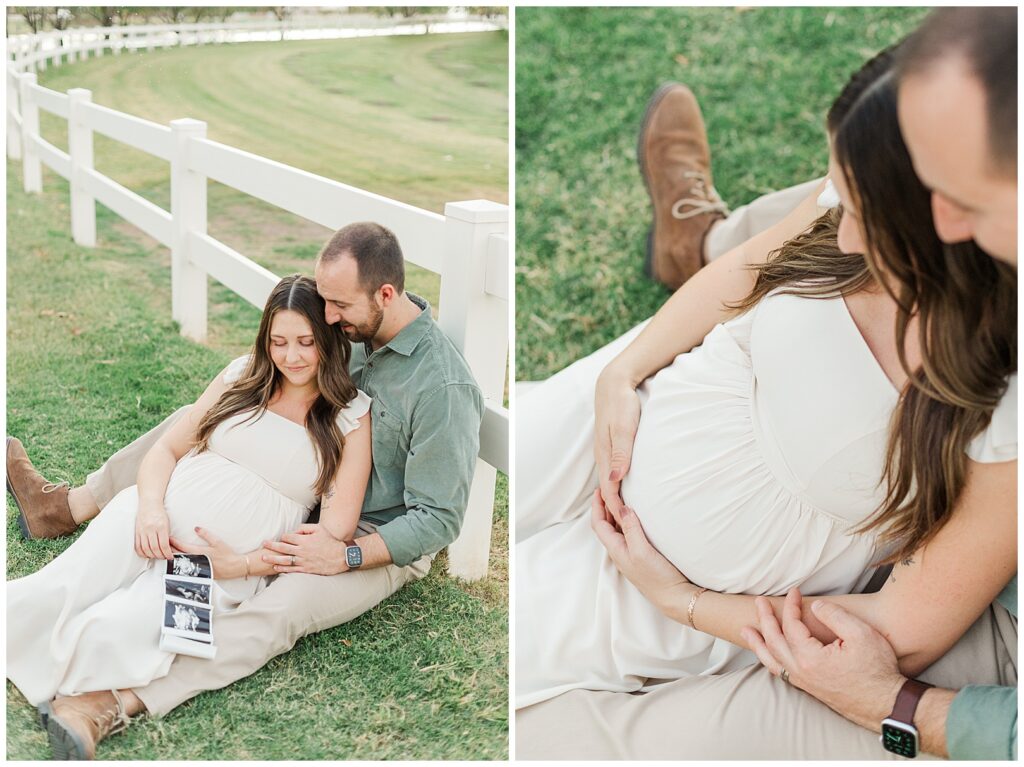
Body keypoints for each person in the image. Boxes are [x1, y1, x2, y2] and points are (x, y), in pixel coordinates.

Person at [518, 9, 1017, 761]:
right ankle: (688, 235)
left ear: (945, 220)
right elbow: (757, 263)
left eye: (866, 216)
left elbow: (906, 627)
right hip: (654, 400)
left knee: (512, 675)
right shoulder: (878, 177)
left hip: (688, 585)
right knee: (491, 461)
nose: (841, 228)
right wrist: (622, 372)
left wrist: (678, 599)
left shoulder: (994, 385)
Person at [7, 222, 484, 760]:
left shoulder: (441, 385)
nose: (325, 318)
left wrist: (335, 552)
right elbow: (269, 377)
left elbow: (438, 519)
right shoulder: (346, 334)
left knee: (280, 608)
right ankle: (67, 508)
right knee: (191, 423)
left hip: (373, 535)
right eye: (320, 305)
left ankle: (113, 700)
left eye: (336, 308)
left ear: (385, 295)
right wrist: (153, 505)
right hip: (294, 495)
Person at [9, 273, 374, 756]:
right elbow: (166, 449)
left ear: (327, 339)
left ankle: (81, 703)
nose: (291, 356)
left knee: (125, 633)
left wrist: (242, 566)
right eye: (279, 341)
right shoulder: (241, 375)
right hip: (149, 519)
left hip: (219, 567)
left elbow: (331, 536)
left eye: (306, 342)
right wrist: (151, 511)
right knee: (58, 589)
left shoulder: (350, 417)